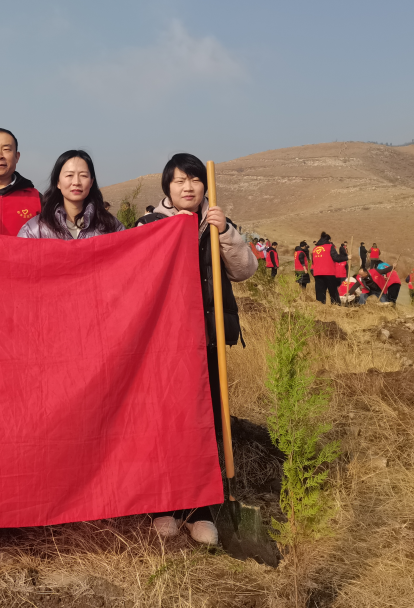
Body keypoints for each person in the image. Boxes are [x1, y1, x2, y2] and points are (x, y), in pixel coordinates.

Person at [134, 153, 257, 546]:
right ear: (167, 188)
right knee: (164, 422)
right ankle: (164, 504)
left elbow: (244, 270)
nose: (188, 187)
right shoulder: (149, 226)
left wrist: (226, 233)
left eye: (195, 180)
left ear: (205, 185)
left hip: (207, 339)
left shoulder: (217, 223)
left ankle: (200, 508)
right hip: (163, 344)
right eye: (179, 181)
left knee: (205, 421)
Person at [17, 150, 123, 239]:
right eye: (69, 175)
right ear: (58, 182)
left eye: (83, 175)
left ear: (91, 182)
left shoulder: (111, 227)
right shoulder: (35, 229)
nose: (76, 182)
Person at [311, 232, 348, 305]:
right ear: (328, 240)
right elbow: (336, 258)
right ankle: (336, 306)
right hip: (329, 272)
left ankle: (321, 307)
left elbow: (313, 262)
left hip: (317, 273)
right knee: (333, 292)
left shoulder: (315, 249)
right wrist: (346, 257)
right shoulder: (330, 247)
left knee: (320, 293)